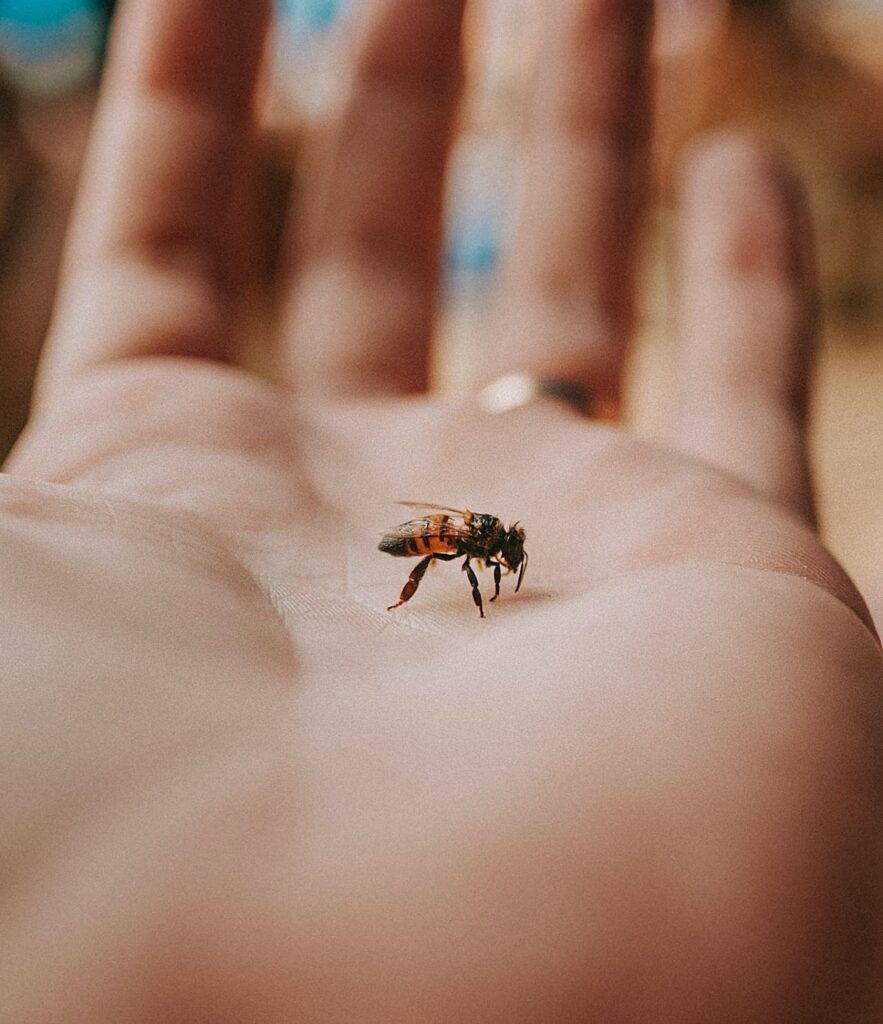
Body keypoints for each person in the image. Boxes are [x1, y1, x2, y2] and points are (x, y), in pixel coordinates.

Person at [1, 1, 880, 1020]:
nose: (504, 556)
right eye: (503, 552)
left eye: (500, 551)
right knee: (435, 554)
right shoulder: (463, 547)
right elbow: (444, 545)